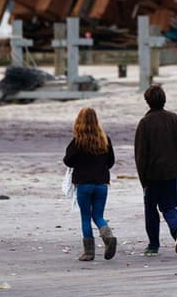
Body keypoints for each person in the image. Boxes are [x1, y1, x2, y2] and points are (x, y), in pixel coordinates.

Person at [135, 84, 177, 256]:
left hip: (152, 175)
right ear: (164, 99)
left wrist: (142, 179)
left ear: (147, 102)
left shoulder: (145, 123)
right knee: (169, 206)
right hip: (172, 172)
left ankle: (153, 245)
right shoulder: (174, 118)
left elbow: (141, 154)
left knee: (151, 209)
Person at [63, 107, 117, 261]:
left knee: (86, 217)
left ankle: (89, 252)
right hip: (101, 184)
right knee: (98, 215)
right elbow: (111, 162)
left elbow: (68, 160)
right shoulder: (105, 139)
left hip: (84, 184)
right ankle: (108, 236)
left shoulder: (78, 141)